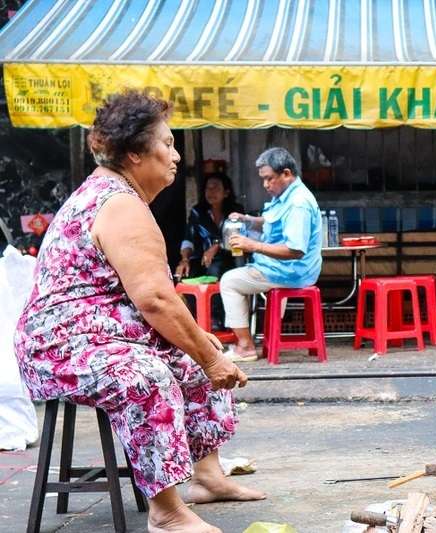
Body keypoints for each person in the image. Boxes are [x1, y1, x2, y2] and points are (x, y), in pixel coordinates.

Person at [14, 90, 265, 533]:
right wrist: (211, 358)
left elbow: (150, 302)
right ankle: (166, 512)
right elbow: (154, 299)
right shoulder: (119, 203)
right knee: (149, 375)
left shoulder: (120, 196)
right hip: (59, 347)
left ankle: (206, 477)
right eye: (166, 144)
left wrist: (203, 350)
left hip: (98, 336)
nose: (175, 154)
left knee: (194, 350)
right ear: (133, 154)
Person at [220, 147, 323, 361]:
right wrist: (247, 219)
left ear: (286, 173)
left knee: (229, 281)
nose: (265, 185)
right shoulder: (286, 195)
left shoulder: (298, 204)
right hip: (282, 268)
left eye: (269, 179)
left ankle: (245, 347)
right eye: (263, 180)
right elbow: (269, 221)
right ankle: (250, 340)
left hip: (291, 271)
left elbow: (295, 250)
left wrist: (253, 245)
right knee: (239, 278)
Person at [175, 173, 244, 279]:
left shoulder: (235, 211)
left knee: (215, 270)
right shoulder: (198, 212)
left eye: (216, 187)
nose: (211, 192)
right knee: (184, 273)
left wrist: (216, 246)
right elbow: (189, 239)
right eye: (208, 188)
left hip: (230, 258)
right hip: (202, 260)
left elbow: (236, 240)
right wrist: (185, 260)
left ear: (226, 193)